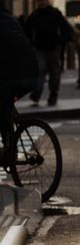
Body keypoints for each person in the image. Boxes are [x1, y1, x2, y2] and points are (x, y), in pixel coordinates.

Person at [0, 9, 40, 161]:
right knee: (4, 106)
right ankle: (10, 146)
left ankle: (10, 149)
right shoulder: (10, 20)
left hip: (12, 77)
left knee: (2, 104)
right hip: (32, 75)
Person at [25, 0, 74, 107]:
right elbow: (27, 31)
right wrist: (32, 43)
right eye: (40, 0)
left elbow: (67, 29)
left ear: (47, 0)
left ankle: (53, 94)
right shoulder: (34, 15)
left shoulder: (55, 14)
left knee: (54, 72)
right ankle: (37, 92)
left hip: (53, 48)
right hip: (40, 48)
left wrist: (61, 41)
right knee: (40, 70)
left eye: (43, 0)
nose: (41, 3)